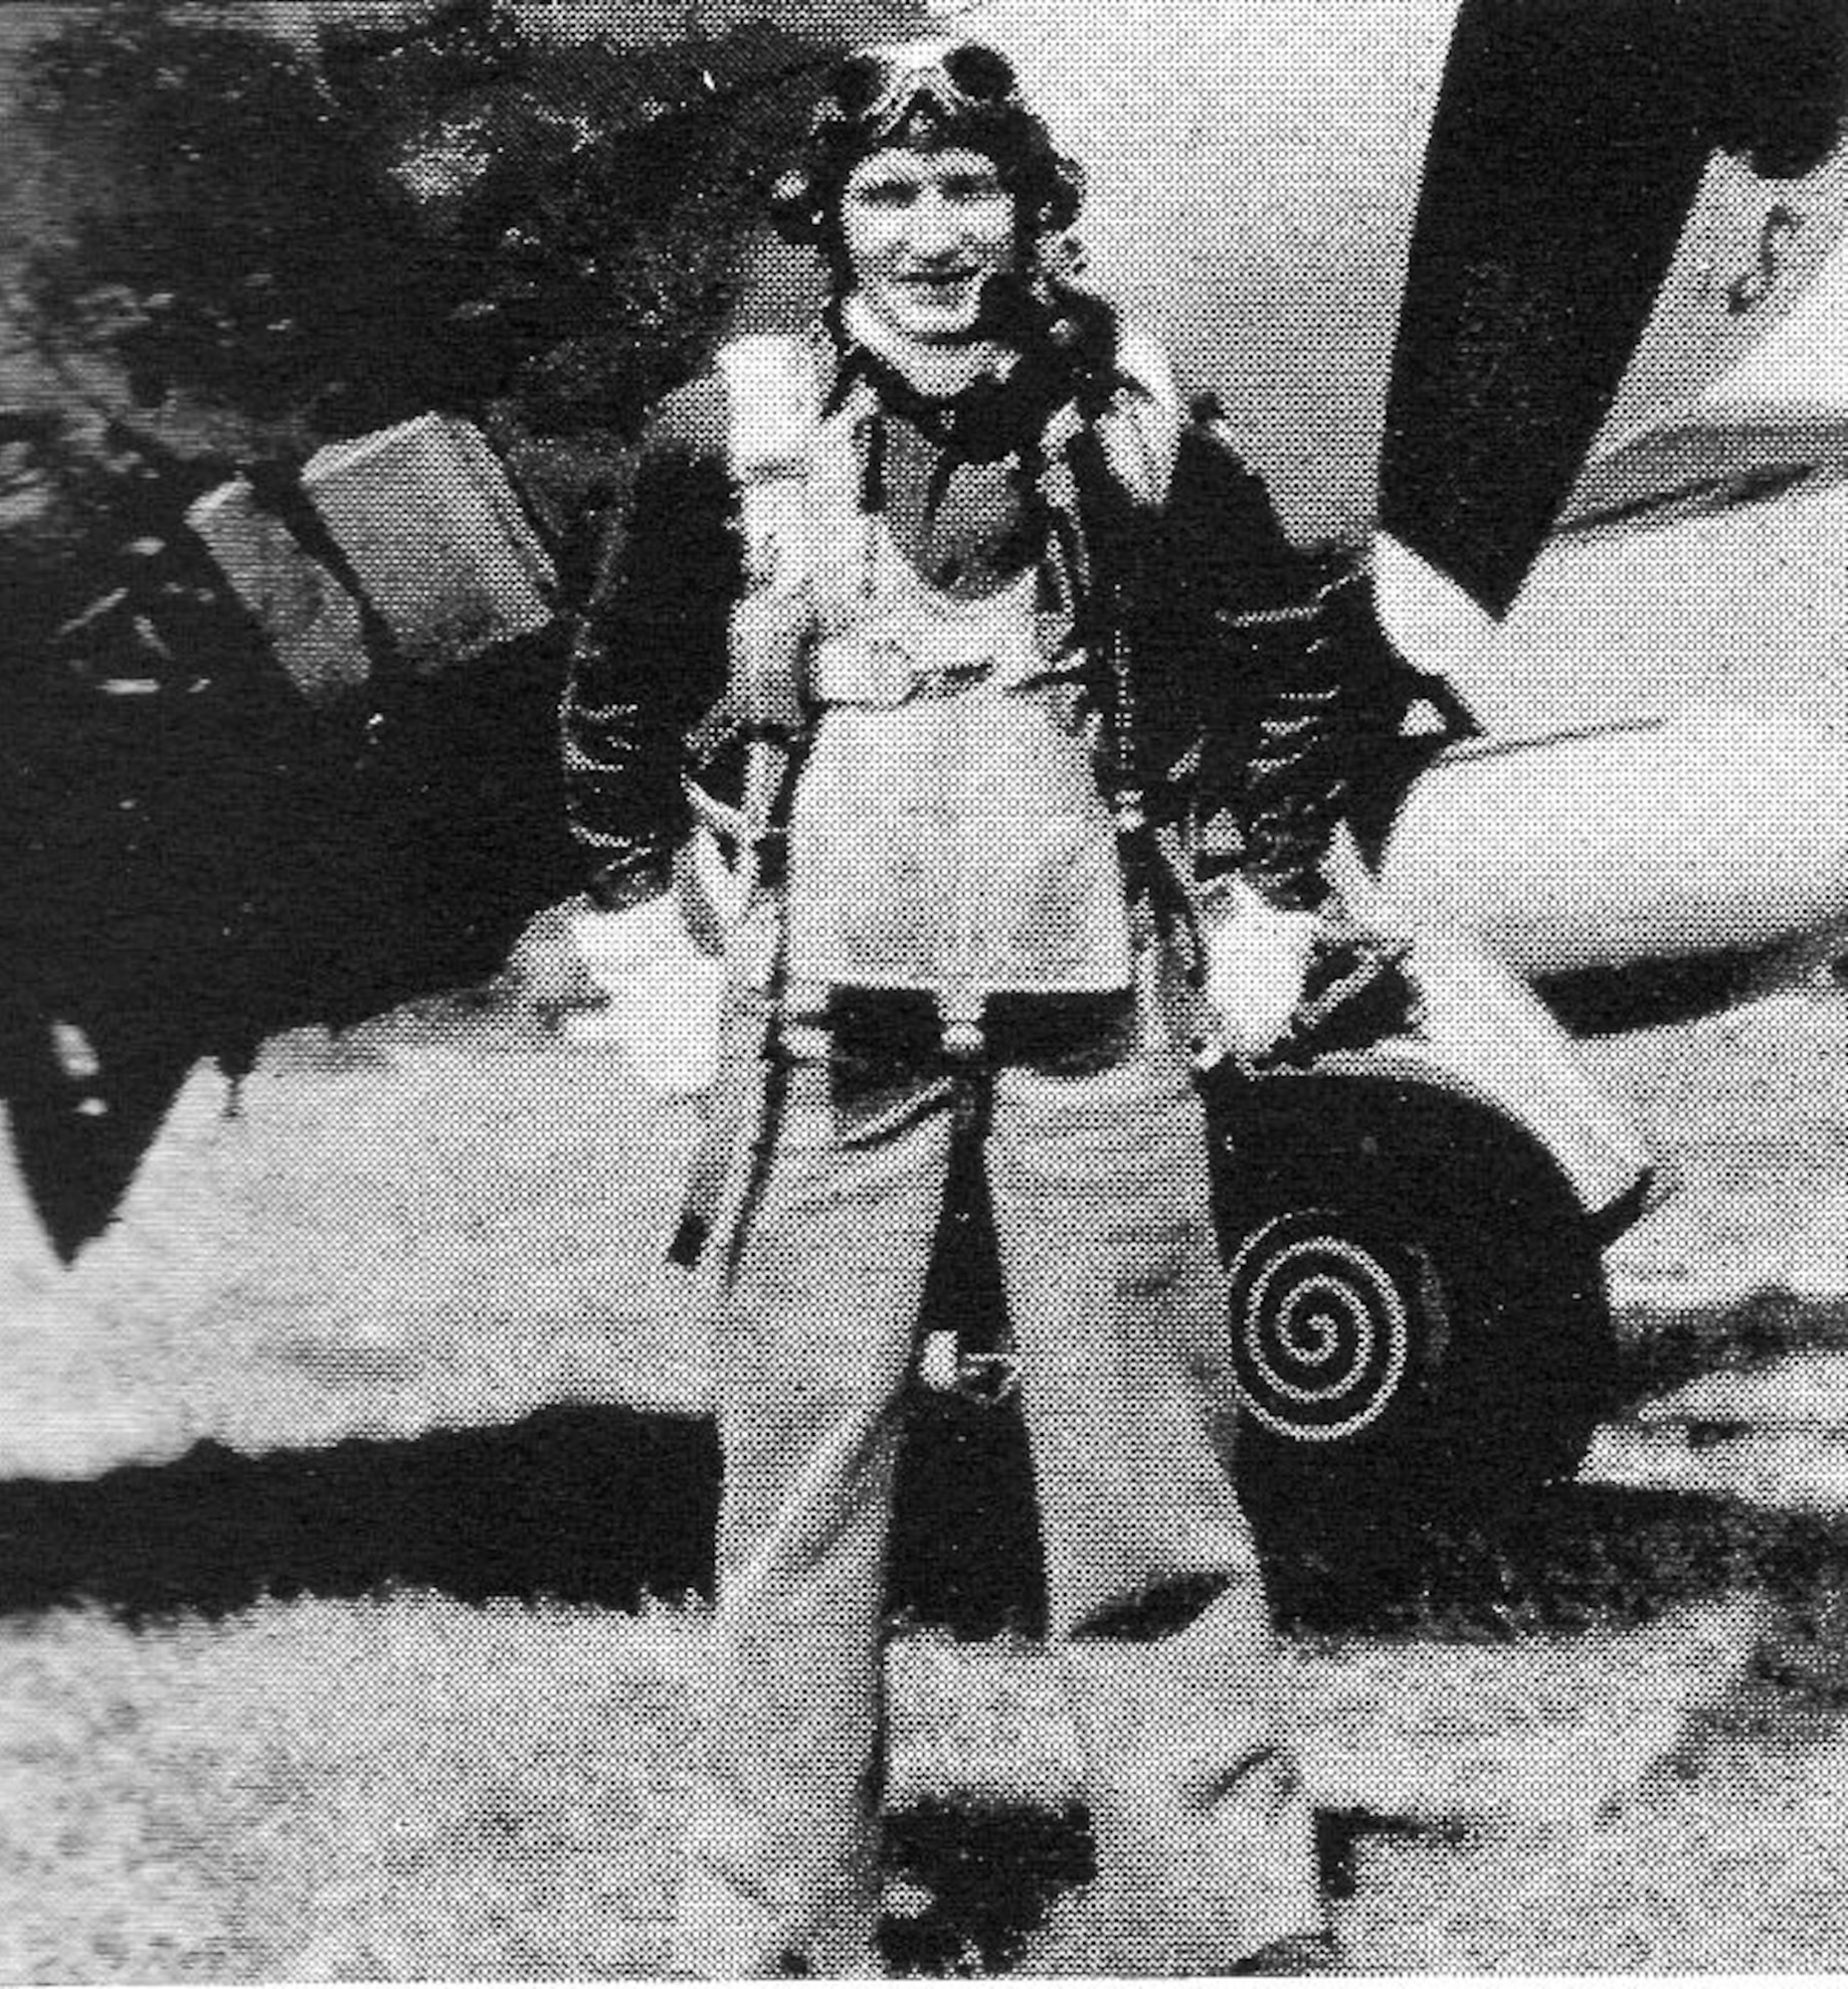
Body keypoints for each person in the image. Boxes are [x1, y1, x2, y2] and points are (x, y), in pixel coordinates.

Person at [562, 36, 1351, 1977]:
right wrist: (637, 939)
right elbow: (609, 698)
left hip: (1098, 1023)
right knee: (799, 1494)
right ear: (830, 222)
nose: (932, 232)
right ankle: (776, 1925)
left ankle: (1229, 1919)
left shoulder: (1141, 420)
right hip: (827, 1035)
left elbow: (1292, 647)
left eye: (968, 189)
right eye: (892, 197)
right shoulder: (720, 436)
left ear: (1029, 210)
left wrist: (1259, 890)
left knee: (1152, 1484)